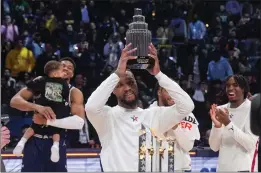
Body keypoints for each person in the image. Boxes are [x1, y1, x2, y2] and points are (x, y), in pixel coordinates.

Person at [85, 43, 194, 171]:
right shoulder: (107, 117)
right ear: (112, 90)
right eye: (120, 85)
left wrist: (159, 74)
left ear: (137, 84)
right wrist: (118, 73)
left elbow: (187, 106)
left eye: (131, 83)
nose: (127, 88)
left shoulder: (153, 115)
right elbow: (91, 107)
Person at [10, 57, 85, 172]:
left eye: (69, 68)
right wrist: (36, 107)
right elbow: (14, 101)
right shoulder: (41, 82)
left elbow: (79, 123)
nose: (65, 68)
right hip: (34, 139)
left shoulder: (74, 92)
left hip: (56, 140)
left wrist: (47, 121)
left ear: (72, 74)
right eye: (62, 65)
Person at [13, 60, 70, 163]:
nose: (64, 73)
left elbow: (30, 85)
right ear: (55, 73)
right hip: (56, 110)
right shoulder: (64, 83)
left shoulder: (41, 80)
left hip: (43, 106)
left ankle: (21, 142)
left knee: (34, 126)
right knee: (56, 130)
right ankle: (56, 146)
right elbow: (65, 95)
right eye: (62, 71)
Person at [209, 74, 259, 172]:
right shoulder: (220, 110)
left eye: (235, 85)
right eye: (228, 85)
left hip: (244, 169)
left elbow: (250, 145)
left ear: (243, 89)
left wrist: (228, 123)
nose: (230, 88)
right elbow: (214, 147)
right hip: (223, 169)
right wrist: (217, 126)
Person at [151, 82, 200, 172]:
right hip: (155, 168)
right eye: (168, 91)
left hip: (180, 168)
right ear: (159, 92)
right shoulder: (148, 113)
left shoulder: (186, 114)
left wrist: (176, 127)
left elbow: (188, 146)